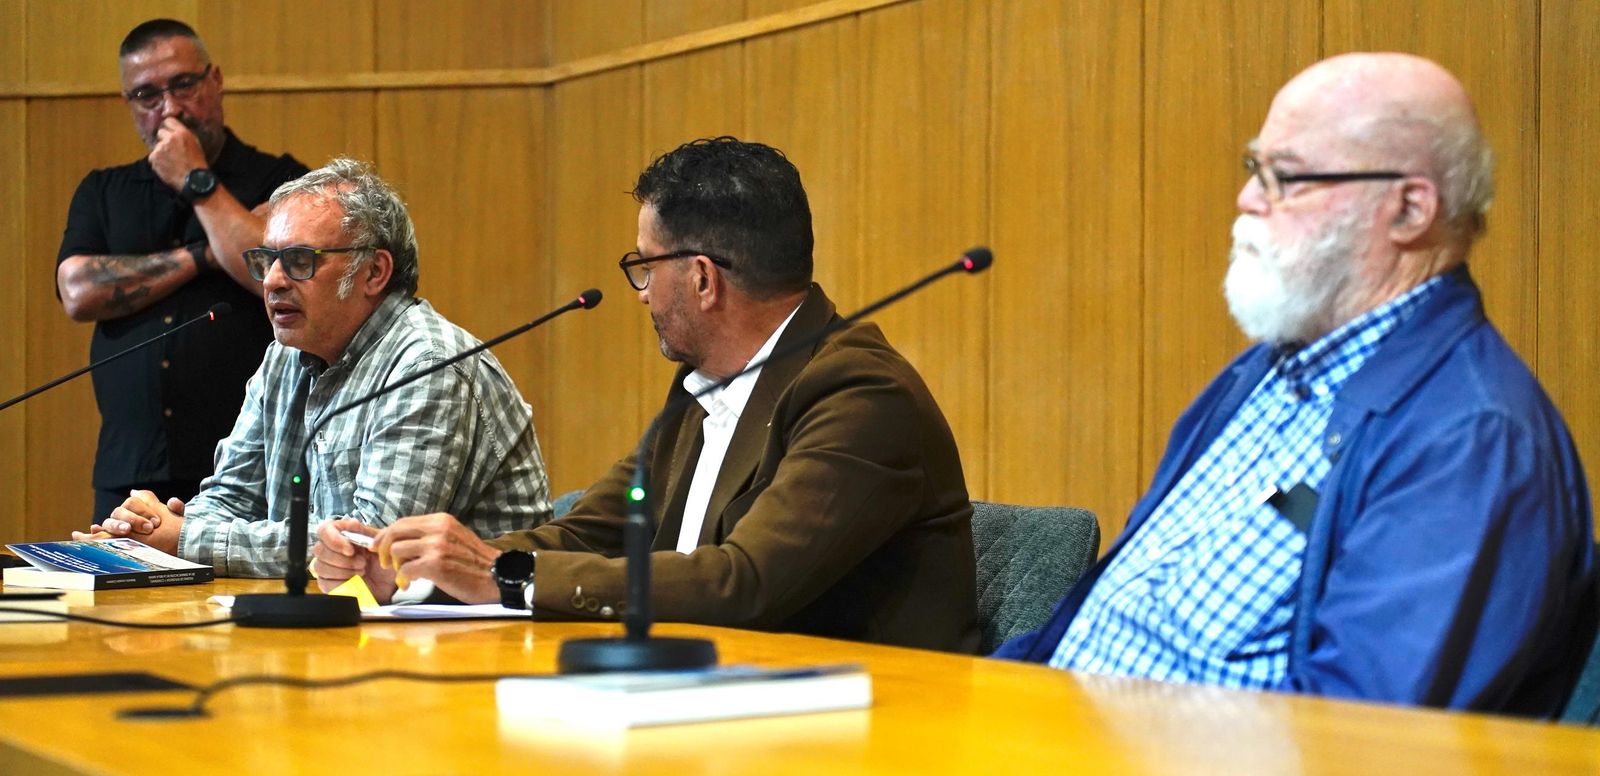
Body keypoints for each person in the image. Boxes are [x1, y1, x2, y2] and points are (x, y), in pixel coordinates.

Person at [997, 53, 1595, 717]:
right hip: (1047, 747)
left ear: (1408, 209)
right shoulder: (1262, 376)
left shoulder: (1470, 439)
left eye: (1287, 177)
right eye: (1256, 169)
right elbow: (1097, 624)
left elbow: (1358, 743)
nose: (1248, 199)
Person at [313, 137, 979, 652]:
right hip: (715, 704)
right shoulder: (702, 389)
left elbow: (745, 583)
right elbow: (588, 533)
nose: (640, 293)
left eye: (643, 266)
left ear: (700, 279)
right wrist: (417, 576)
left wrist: (503, 576)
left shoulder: (859, 393)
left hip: (865, 742)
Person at [79, 159, 552, 577]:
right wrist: (148, 529)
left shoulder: (428, 365)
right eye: (266, 261)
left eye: (300, 261)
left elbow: (367, 552)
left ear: (374, 273)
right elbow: (232, 496)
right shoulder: (283, 356)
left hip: (471, 637)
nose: (274, 281)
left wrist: (183, 538)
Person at [57, 19, 310, 522]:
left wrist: (197, 182)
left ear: (214, 80)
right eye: (147, 95)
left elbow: (276, 275)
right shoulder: (104, 191)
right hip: (130, 468)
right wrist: (205, 254)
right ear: (129, 103)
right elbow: (78, 291)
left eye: (183, 85)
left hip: (248, 467)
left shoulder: (283, 180)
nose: (168, 108)